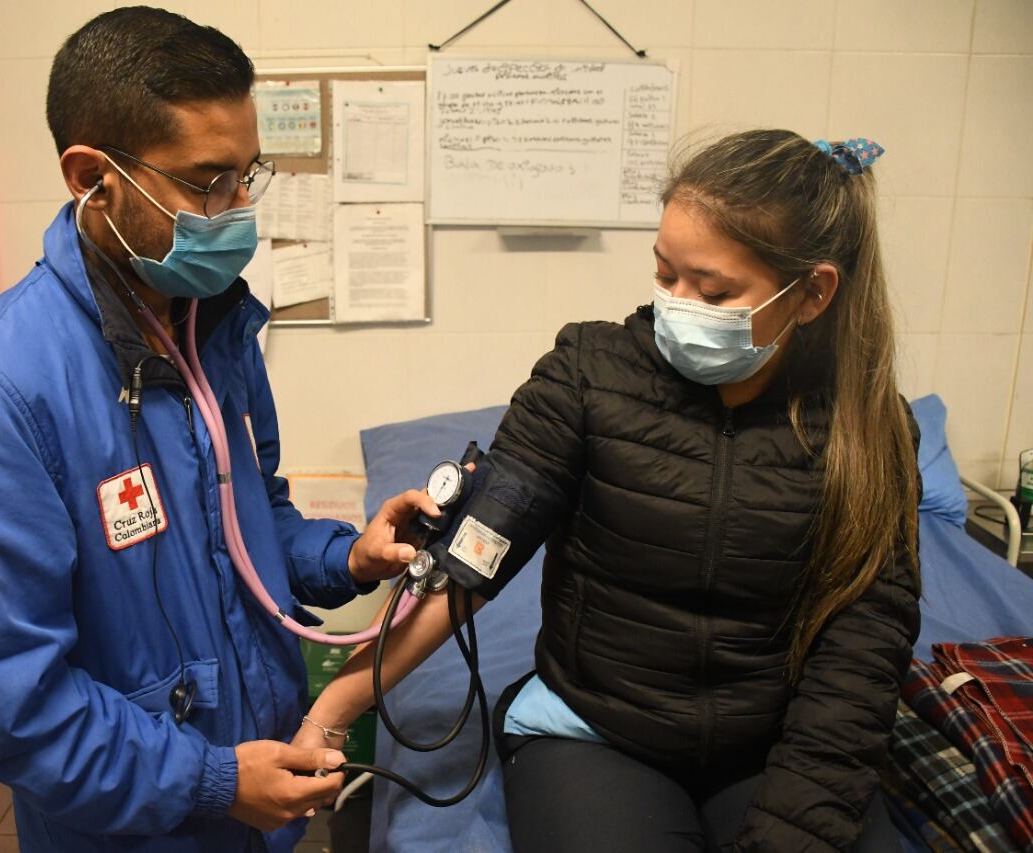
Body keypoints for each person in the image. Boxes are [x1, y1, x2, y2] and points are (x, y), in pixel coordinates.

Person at [297, 130, 921, 851]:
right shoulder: (588, 376)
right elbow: (472, 562)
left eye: (713, 290)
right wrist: (337, 705)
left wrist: (792, 826)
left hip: (777, 742)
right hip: (597, 732)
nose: (679, 306)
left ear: (812, 292)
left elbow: (863, 650)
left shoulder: (868, 431)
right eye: (665, 275)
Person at [0, 8, 431, 851]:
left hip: (259, 810)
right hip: (138, 826)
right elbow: (7, 703)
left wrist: (345, 558)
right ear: (90, 176)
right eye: (205, 182)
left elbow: (248, 522)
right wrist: (213, 780)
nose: (237, 209)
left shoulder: (211, 330)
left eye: (246, 175)